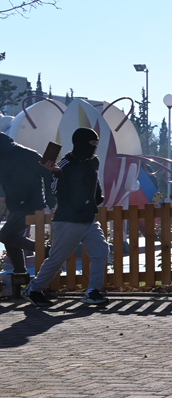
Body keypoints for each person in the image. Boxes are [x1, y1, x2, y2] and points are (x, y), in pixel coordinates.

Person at [22, 128, 109, 307]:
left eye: (96, 144)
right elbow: (55, 192)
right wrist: (55, 173)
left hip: (89, 219)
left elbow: (95, 182)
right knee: (57, 258)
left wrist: (97, 198)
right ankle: (33, 289)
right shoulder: (64, 165)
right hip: (68, 220)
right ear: (80, 143)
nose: (93, 148)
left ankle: (92, 291)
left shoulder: (94, 161)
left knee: (101, 251)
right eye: (91, 144)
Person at [0, 132, 54, 275]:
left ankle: (46, 251)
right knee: (11, 238)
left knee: (5, 236)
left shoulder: (23, 155)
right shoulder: (16, 154)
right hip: (17, 204)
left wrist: (50, 200)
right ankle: (20, 272)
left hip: (29, 204)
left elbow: (48, 173)